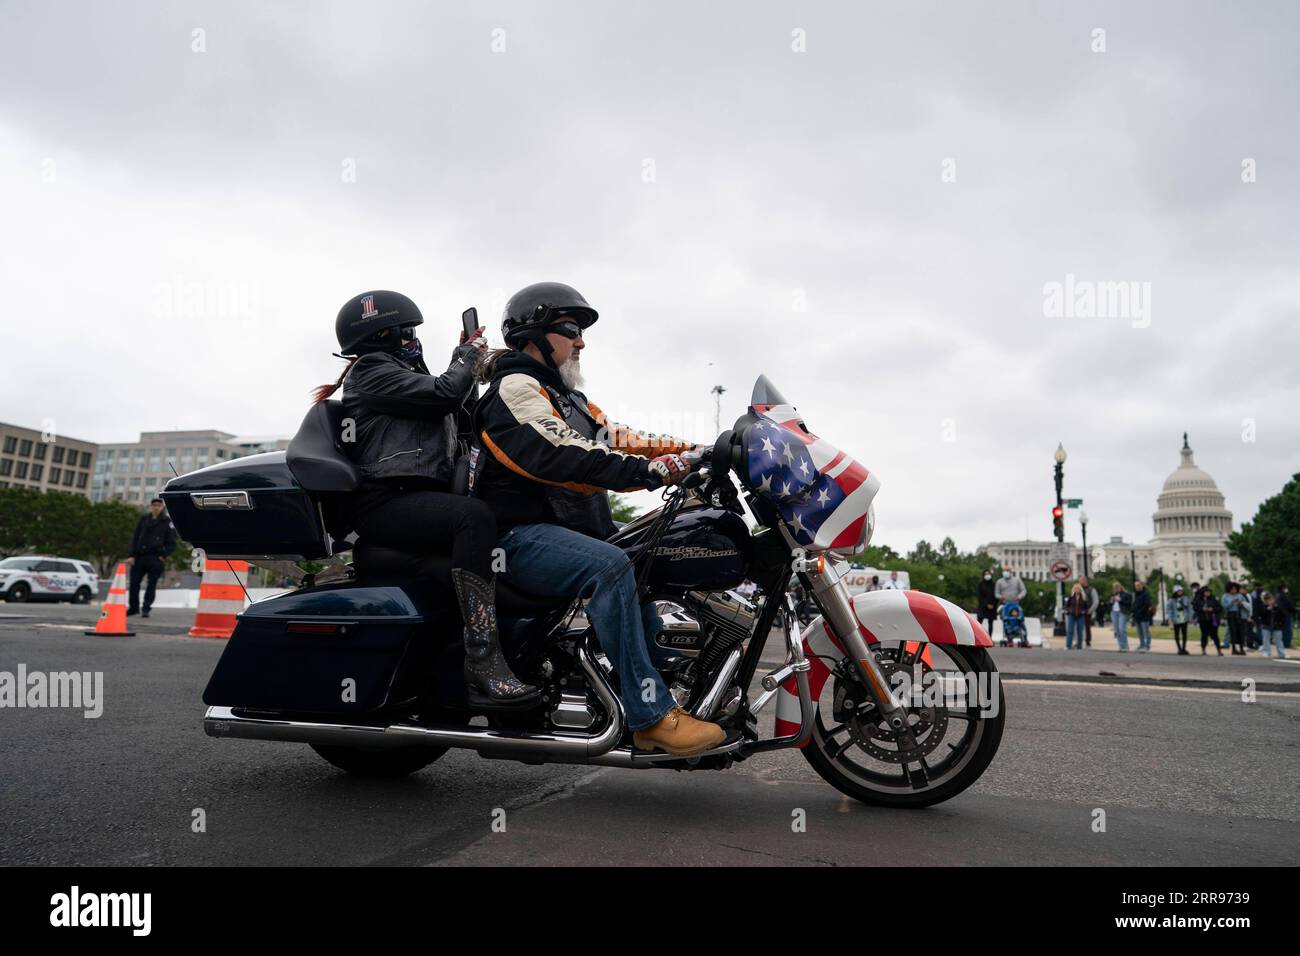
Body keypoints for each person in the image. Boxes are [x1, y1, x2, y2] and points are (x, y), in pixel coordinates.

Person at [472, 281, 725, 757]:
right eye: (571, 330)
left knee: (652, 555)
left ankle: (653, 686)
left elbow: (621, 437)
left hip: (560, 532)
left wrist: (696, 450)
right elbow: (559, 454)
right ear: (533, 336)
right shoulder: (515, 388)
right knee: (609, 565)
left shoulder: (571, 401)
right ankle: (651, 716)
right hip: (515, 538)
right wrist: (649, 472)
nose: (582, 342)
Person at [313, 289, 538, 707]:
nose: (413, 339)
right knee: (474, 518)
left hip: (418, 502)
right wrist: (466, 357)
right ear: (384, 336)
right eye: (406, 333)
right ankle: (483, 662)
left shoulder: (403, 377)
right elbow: (443, 395)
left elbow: (459, 409)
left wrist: (474, 371)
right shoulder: (372, 371)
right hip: (384, 501)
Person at [125, 497, 177, 617]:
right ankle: (133, 607)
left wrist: (164, 555)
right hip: (140, 556)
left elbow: (172, 542)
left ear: (162, 507)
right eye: (154, 505)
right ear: (151, 506)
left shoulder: (167, 521)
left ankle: (146, 608)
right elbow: (135, 538)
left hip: (156, 557)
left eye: (158, 505)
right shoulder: (144, 519)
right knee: (134, 583)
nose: (156, 507)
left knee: (151, 584)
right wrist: (131, 555)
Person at [1258, 592, 1288, 659]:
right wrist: (1267, 609)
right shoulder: (1263, 606)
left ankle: (1281, 653)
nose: (1270, 601)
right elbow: (1261, 615)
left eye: (1271, 599)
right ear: (1265, 601)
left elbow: (1283, 615)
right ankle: (1266, 652)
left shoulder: (1278, 606)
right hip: (1266, 625)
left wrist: (1281, 623)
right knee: (1266, 640)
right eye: (1268, 600)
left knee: (1279, 640)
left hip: (1277, 626)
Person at [1220, 582, 1248, 655]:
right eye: (1232, 589)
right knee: (1233, 631)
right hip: (1231, 614)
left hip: (1239, 614)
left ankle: (1241, 648)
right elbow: (1224, 606)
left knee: (1241, 631)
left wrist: (1240, 603)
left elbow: (1246, 604)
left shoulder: (1240, 595)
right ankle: (1234, 649)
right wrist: (1232, 602)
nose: (1234, 590)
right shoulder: (1225, 596)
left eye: (1235, 589)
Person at [1194, 586, 1223, 655]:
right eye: (1206, 592)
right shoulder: (1199, 599)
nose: (1207, 593)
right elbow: (1195, 607)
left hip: (1212, 620)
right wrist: (1202, 609)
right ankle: (1203, 649)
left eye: (1209, 592)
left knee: (1215, 635)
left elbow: (1219, 608)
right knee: (1204, 635)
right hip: (1203, 620)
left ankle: (1219, 650)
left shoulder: (1214, 599)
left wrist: (1212, 609)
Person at [1166, 583, 1192, 655]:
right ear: (1175, 592)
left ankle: (1184, 648)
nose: (1180, 592)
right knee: (1176, 634)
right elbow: (1169, 610)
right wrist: (1170, 620)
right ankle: (1179, 648)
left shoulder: (1185, 598)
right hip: (1176, 619)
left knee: (1184, 634)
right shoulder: (1171, 600)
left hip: (1184, 619)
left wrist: (1190, 618)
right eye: (1178, 591)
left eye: (1181, 591)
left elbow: (1189, 608)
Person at [1131, 580, 1153, 652]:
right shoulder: (1135, 594)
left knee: (1145, 631)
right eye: (1135, 586)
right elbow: (1134, 604)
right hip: (1137, 616)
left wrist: (1140, 611)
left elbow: (1147, 604)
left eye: (1138, 585)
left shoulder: (1146, 593)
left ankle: (1147, 646)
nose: (1136, 587)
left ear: (1142, 585)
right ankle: (1142, 645)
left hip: (1144, 616)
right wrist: (1134, 611)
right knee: (1139, 632)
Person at [1065, 582, 1088, 650]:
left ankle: (1079, 646)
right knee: (1070, 631)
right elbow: (1066, 606)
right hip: (1072, 615)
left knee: (1080, 631)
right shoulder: (1071, 597)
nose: (1077, 590)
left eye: (1078, 588)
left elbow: (1086, 608)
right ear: (1074, 590)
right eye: (1075, 588)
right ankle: (1068, 646)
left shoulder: (1083, 598)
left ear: (1080, 589)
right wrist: (1069, 610)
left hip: (1080, 616)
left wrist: (1083, 612)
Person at [1110, 582, 1133, 651]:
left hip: (1122, 612)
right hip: (1114, 612)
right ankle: (1121, 646)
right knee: (1117, 630)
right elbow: (1110, 604)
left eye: (1117, 587)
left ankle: (1125, 646)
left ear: (1121, 587)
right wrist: (1111, 601)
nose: (1116, 589)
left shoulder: (1126, 594)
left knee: (1122, 629)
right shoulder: (1114, 595)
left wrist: (1120, 600)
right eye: (1115, 588)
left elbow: (1129, 603)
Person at [1079, 575, 1100, 647]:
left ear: (1085, 580)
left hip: (1087, 610)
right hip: (1078, 611)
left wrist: (1090, 610)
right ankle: (1079, 641)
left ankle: (1087, 641)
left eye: (1081, 580)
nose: (1080, 581)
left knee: (1087, 627)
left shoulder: (1091, 590)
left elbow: (1096, 601)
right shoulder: (1078, 589)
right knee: (1078, 627)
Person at [976, 569, 997, 636]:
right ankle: (977, 637)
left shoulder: (994, 584)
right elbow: (979, 596)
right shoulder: (980, 584)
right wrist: (986, 604)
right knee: (979, 622)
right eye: (986, 574)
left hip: (992, 607)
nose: (987, 575)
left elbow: (996, 596)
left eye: (988, 574)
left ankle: (990, 638)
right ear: (983, 575)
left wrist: (993, 604)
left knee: (990, 623)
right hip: (982, 606)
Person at [1278, 584, 1295, 650]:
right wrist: (1294, 611)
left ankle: (1284, 644)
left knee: (1283, 631)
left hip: (1281, 616)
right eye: (1285, 588)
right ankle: (1286, 644)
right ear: (1283, 588)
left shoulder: (1278, 596)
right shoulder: (1283, 596)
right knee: (1287, 631)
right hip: (1286, 615)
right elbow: (1289, 605)